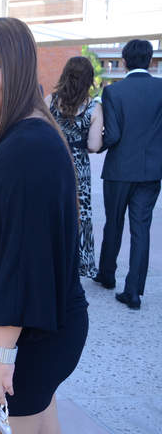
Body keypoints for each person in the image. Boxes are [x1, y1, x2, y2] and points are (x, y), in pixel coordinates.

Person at [0, 17, 88, 433]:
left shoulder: (27, 146)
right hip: (31, 328)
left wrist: (1, 352)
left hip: (21, 336)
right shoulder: (16, 134)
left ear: (18, 69)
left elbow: (24, 259)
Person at [94, 39, 162, 310]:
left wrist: (95, 146)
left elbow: (112, 135)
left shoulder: (113, 92)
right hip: (151, 171)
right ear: (150, 60)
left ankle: (107, 275)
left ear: (123, 62)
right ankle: (133, 292)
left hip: (119, 170)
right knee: (141, 228)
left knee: (113, 222)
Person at [46, 56, 103, 279]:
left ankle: (50, 258)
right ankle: (81, 264)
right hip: (78, 166)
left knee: (51, 210)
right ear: (89, 79)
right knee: (81, 213)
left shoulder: (50, 101)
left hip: (52, 161)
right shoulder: (94, 107)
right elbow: (94, 146)